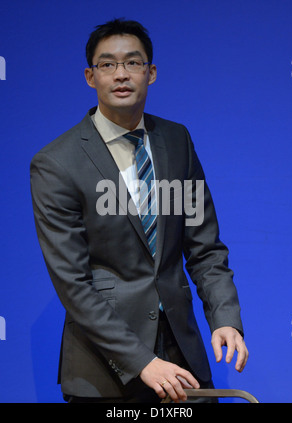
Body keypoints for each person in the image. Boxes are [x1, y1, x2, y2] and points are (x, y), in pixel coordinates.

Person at [30, 18, 248, 403]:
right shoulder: (56, 162)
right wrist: (142, 361)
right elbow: (73, 284)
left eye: (132, 63)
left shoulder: (176, 140)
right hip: (105, 370)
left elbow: (205, 248)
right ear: (89, 76)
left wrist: (225, 318)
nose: (121, 74)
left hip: (182, 355)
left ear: (151, 73)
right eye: (107, 64)